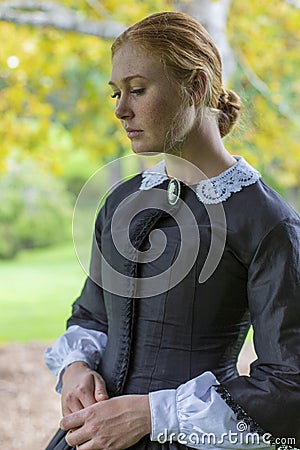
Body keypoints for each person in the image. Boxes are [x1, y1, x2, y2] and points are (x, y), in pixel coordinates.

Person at [44, 11, 300, 450]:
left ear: (196, 87)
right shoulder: (122, 203)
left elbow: (289, 385)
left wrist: (150, 414)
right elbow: (92, 316)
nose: (122, 110)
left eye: (138, 90)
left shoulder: (266, 221)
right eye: (116, 94)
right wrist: (75, 371)